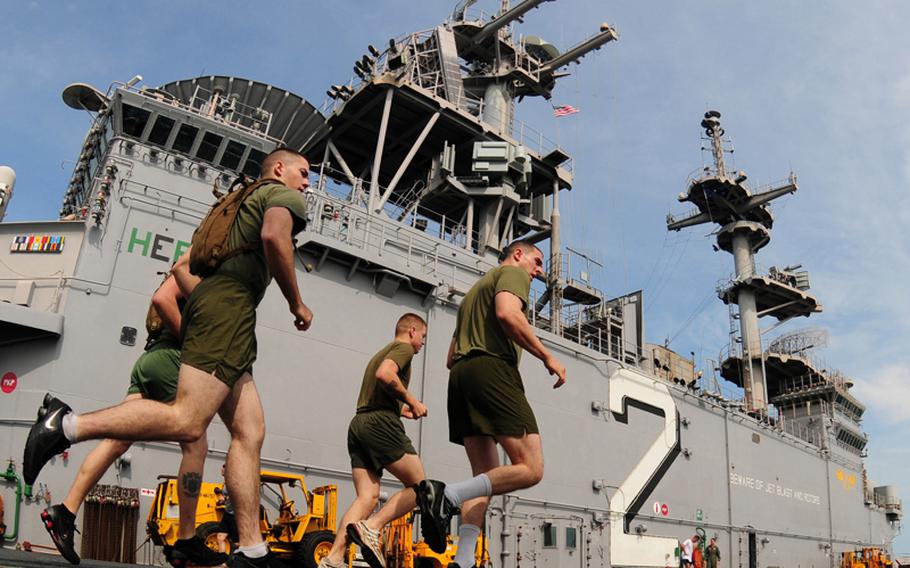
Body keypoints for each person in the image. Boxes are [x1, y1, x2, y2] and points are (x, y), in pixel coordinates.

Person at [23, 148, 315, 568]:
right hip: (229, 310)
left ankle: (252, 550)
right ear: (280, 169)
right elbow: (274, 238)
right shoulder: (282, 196)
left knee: (250, 431)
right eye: (304, 173)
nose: (307, 183)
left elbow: (186, 264)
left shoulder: (234, 205)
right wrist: (297, 303)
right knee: (189, 421)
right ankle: (65, 426)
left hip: (224, 311)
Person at [40, 260, 224, 566]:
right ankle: (187, 539)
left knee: (117, 440)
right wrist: (194, 346)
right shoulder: (197, 269)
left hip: (150, 358)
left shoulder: (188, 268)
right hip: (172, 359)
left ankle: (65, 511)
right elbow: (162, 299)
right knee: (196, 443)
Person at [416, 240, 567, 568]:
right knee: (531, 468)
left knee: (484, 478)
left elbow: (449, 358)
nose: (539, 271)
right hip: (492, 368)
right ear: (517, 255)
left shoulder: (473, 294)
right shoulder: (512, 274)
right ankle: (448, 495)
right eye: (537, 261)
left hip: (461, 377)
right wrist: (548, 356)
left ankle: (465, 560)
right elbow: (508, 314)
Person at [320, 313, 429, 568]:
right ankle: (372, 527)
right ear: (412, 330)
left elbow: (376, 392)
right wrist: (412, 400)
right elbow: (385, 374)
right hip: (379, 424)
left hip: (359, 424)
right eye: (423, 336)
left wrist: (401, 409)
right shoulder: (403, 349)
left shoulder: (381, 352)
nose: (423, 342)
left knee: (367, 497)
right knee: (421, 488)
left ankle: (333, 558)